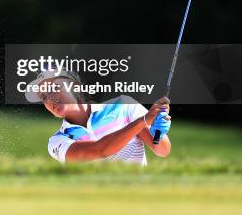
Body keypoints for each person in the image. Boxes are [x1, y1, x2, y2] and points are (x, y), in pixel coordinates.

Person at [25, 66, 172, 165]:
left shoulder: (123, 105)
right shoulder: (57, 141)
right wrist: (143, 121)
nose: (49, 99)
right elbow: (99, 150)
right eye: (43, 97)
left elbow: (162, 150)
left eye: (53, 88)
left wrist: (159, 130)